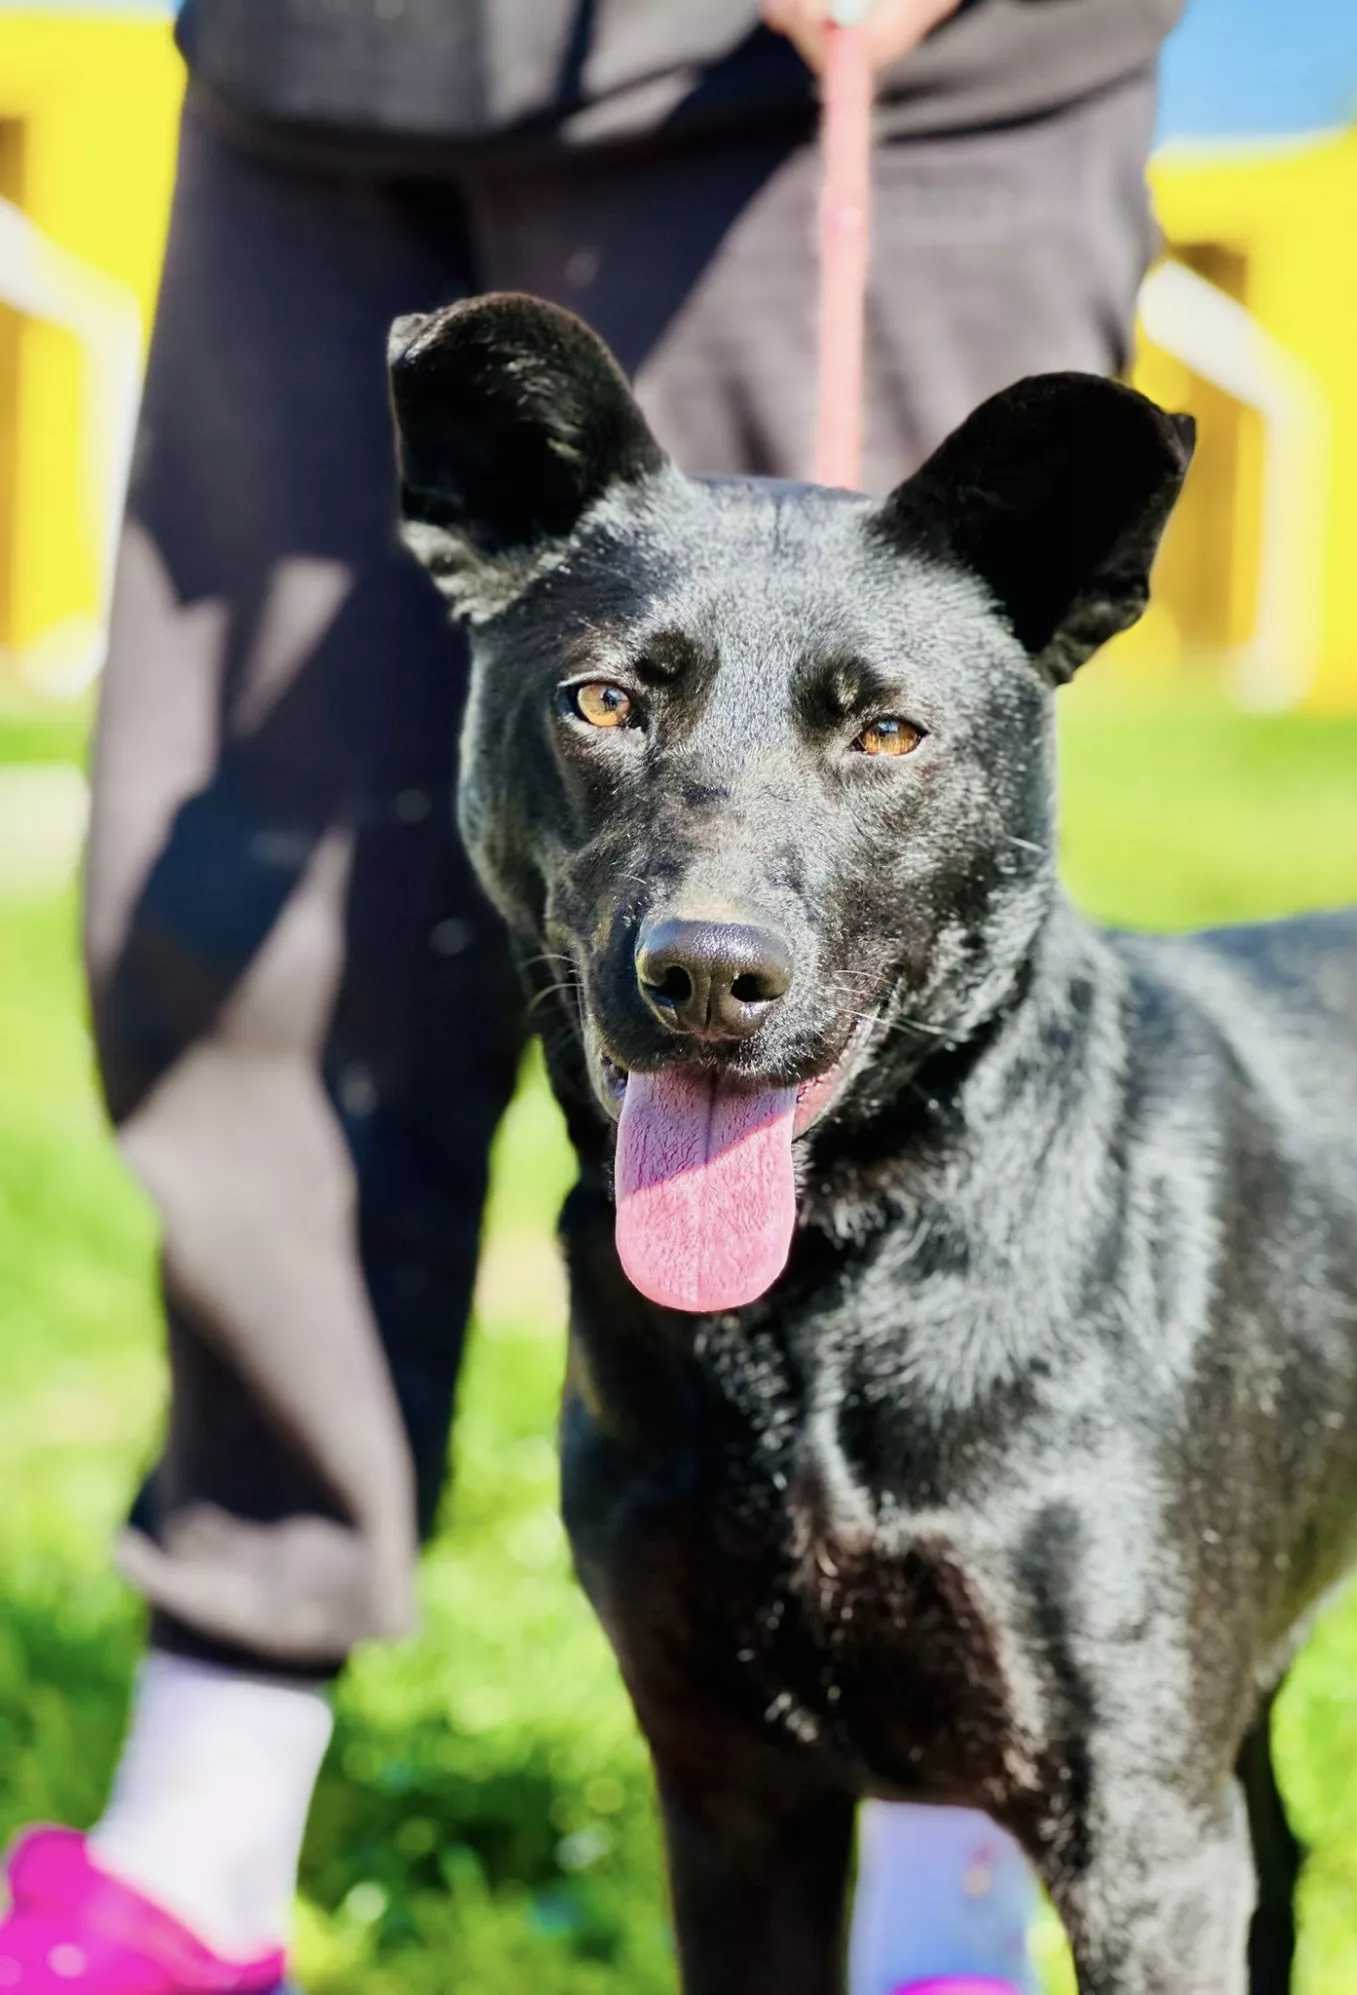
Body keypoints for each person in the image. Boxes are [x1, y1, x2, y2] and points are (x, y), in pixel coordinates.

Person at [0, 1, 1182, 1988]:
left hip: (856, 63)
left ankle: (940, 1888)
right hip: (336, 70)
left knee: (839, 899)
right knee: (239, 919)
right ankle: (211, 1797)